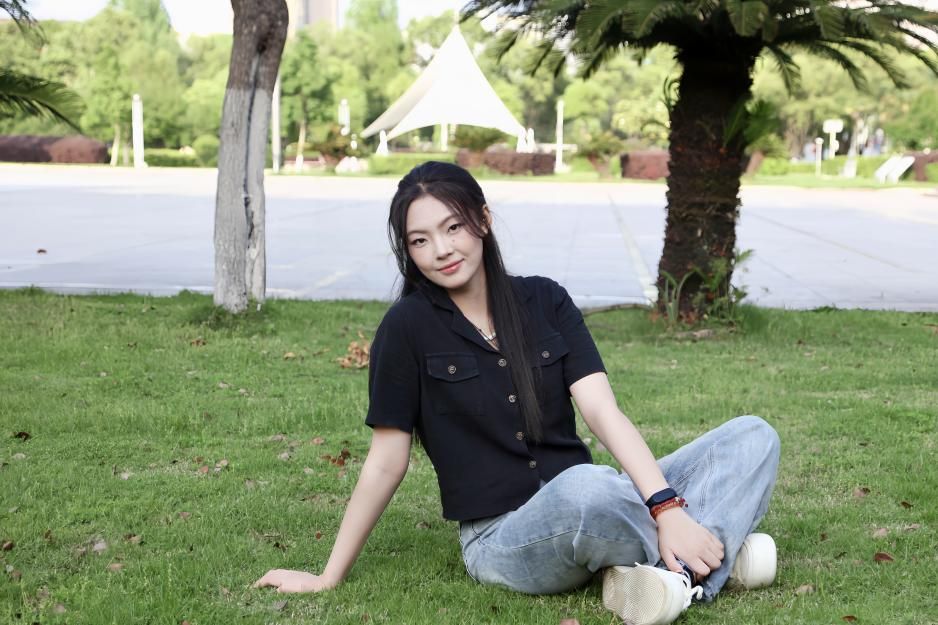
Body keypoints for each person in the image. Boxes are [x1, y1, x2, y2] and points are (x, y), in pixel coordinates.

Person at [254, 162, 780, 625]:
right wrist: (328, 575)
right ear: (407, 251)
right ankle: (709, 559)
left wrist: (666, 507)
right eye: (419, 240)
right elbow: (386, 462)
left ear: (483, 220)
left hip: (594, 499)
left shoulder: (546, 300)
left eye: (453, 227)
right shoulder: (405, 328)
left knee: (753, 437)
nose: (441, 250)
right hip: (503, 537)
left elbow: (601, 411)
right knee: (589, 490)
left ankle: (671, 570)